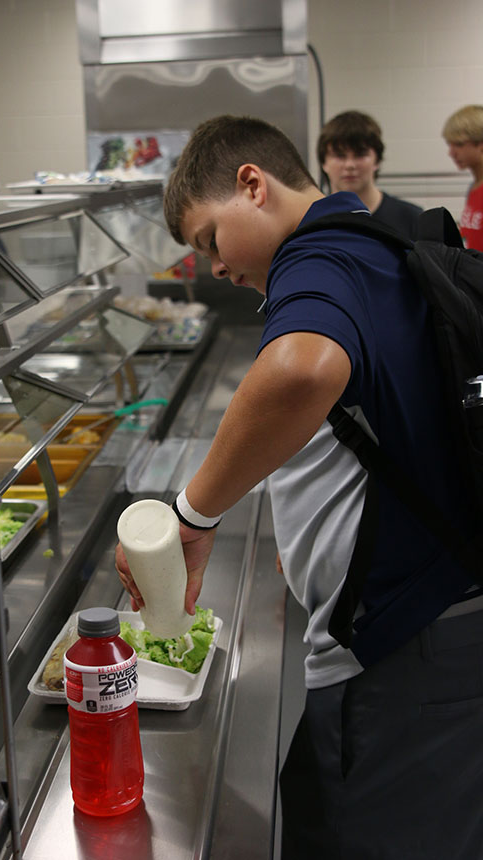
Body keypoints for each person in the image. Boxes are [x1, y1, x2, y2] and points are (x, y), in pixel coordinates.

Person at [115, 115, 483, 859]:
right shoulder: (369, 241)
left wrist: (193, 513)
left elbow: (302, 370)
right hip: (436, 625)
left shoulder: (314, 258)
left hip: (406, 647)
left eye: (209, 240)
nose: (213, 268)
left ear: (252, 185)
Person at [318, 109, 423, 239]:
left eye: (360, 154)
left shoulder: (412, 219)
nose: (350, 165)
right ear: (324, 163)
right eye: (340, 156)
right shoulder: (313, 222)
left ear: (377, 160)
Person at [442, 104, 483, 250]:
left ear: (481, 144)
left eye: (458, 144)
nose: (451, 153)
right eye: (450, 145)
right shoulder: (474, 188)